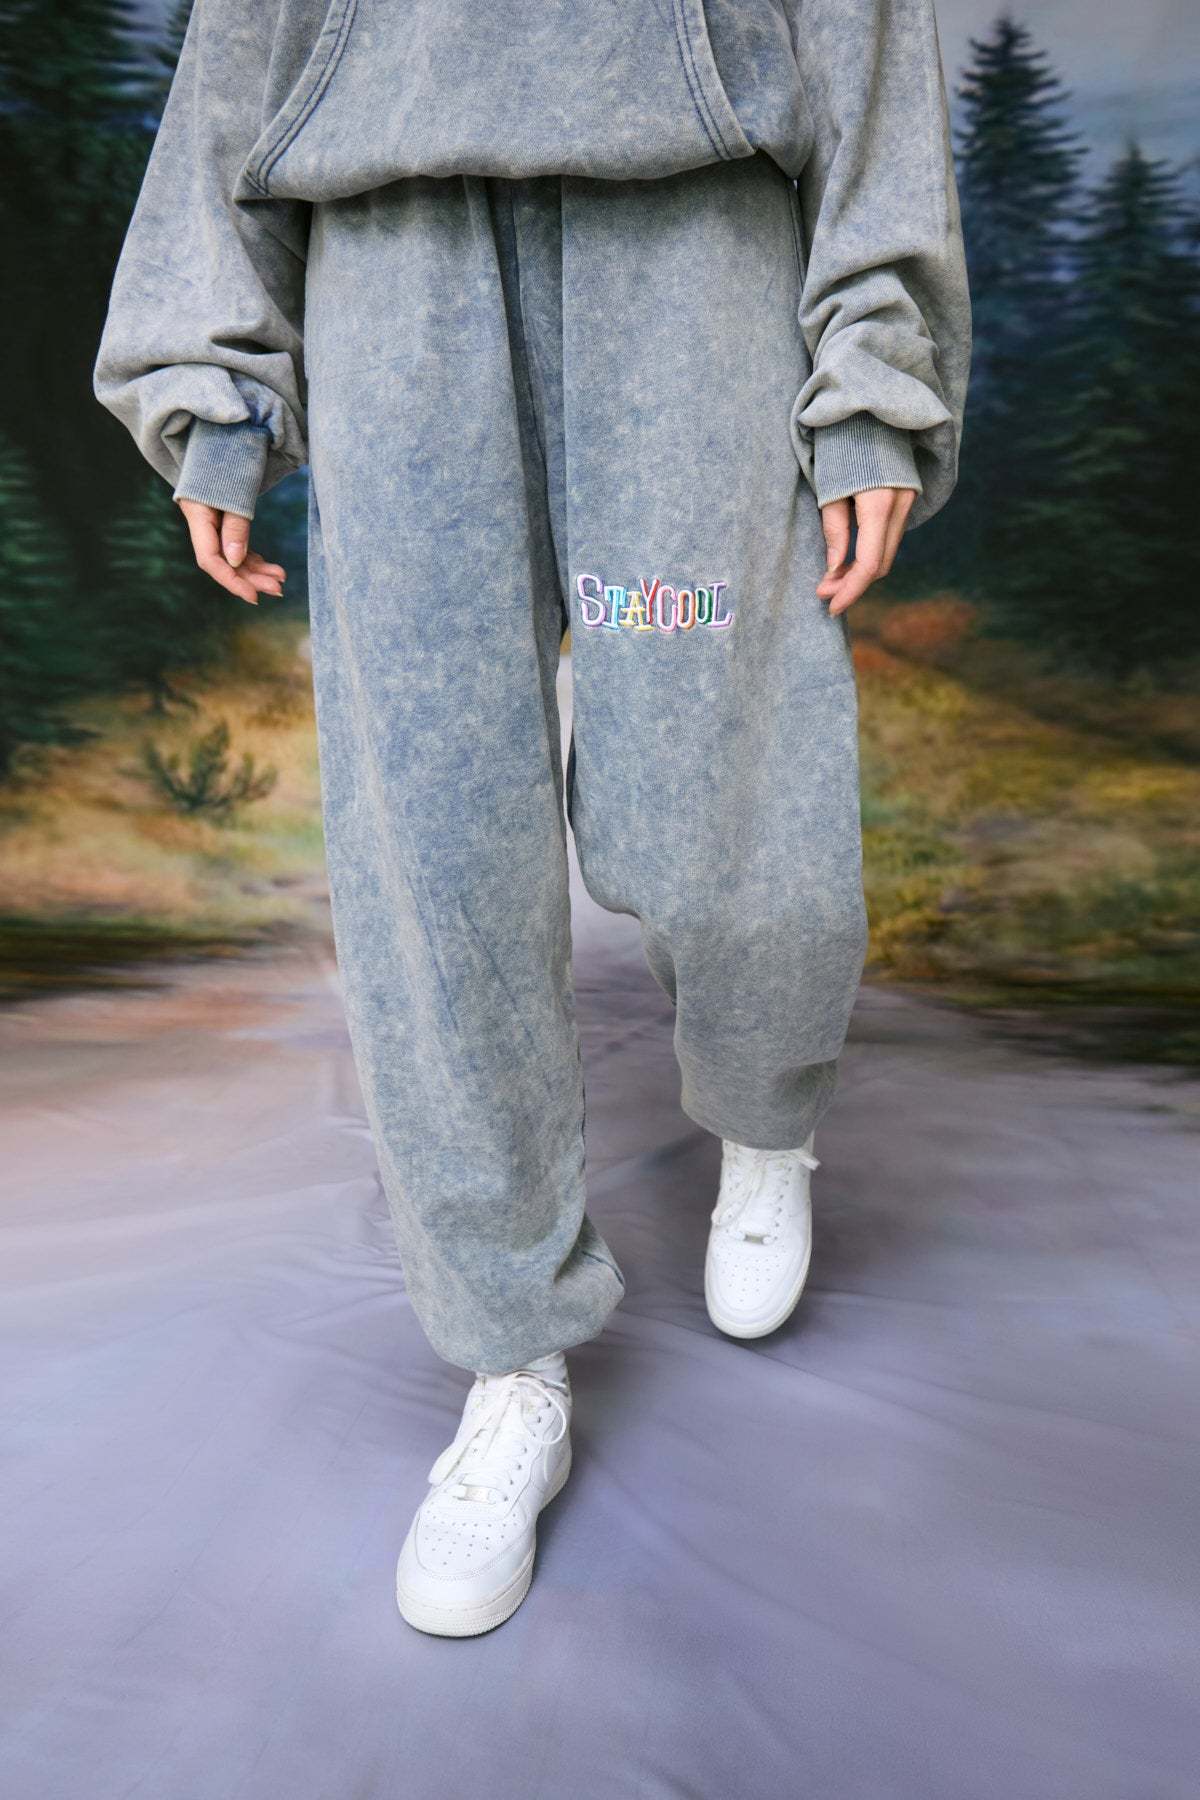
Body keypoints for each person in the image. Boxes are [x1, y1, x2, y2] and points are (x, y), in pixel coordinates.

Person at [94, 0, 971, 1637]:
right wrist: (213, 379)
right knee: (435, 832)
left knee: (718, 761)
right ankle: (511, 1362)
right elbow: (244, 49)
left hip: (687, 253)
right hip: (399, 271)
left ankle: (763, 1116)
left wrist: (874, 372)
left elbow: (860, 37)